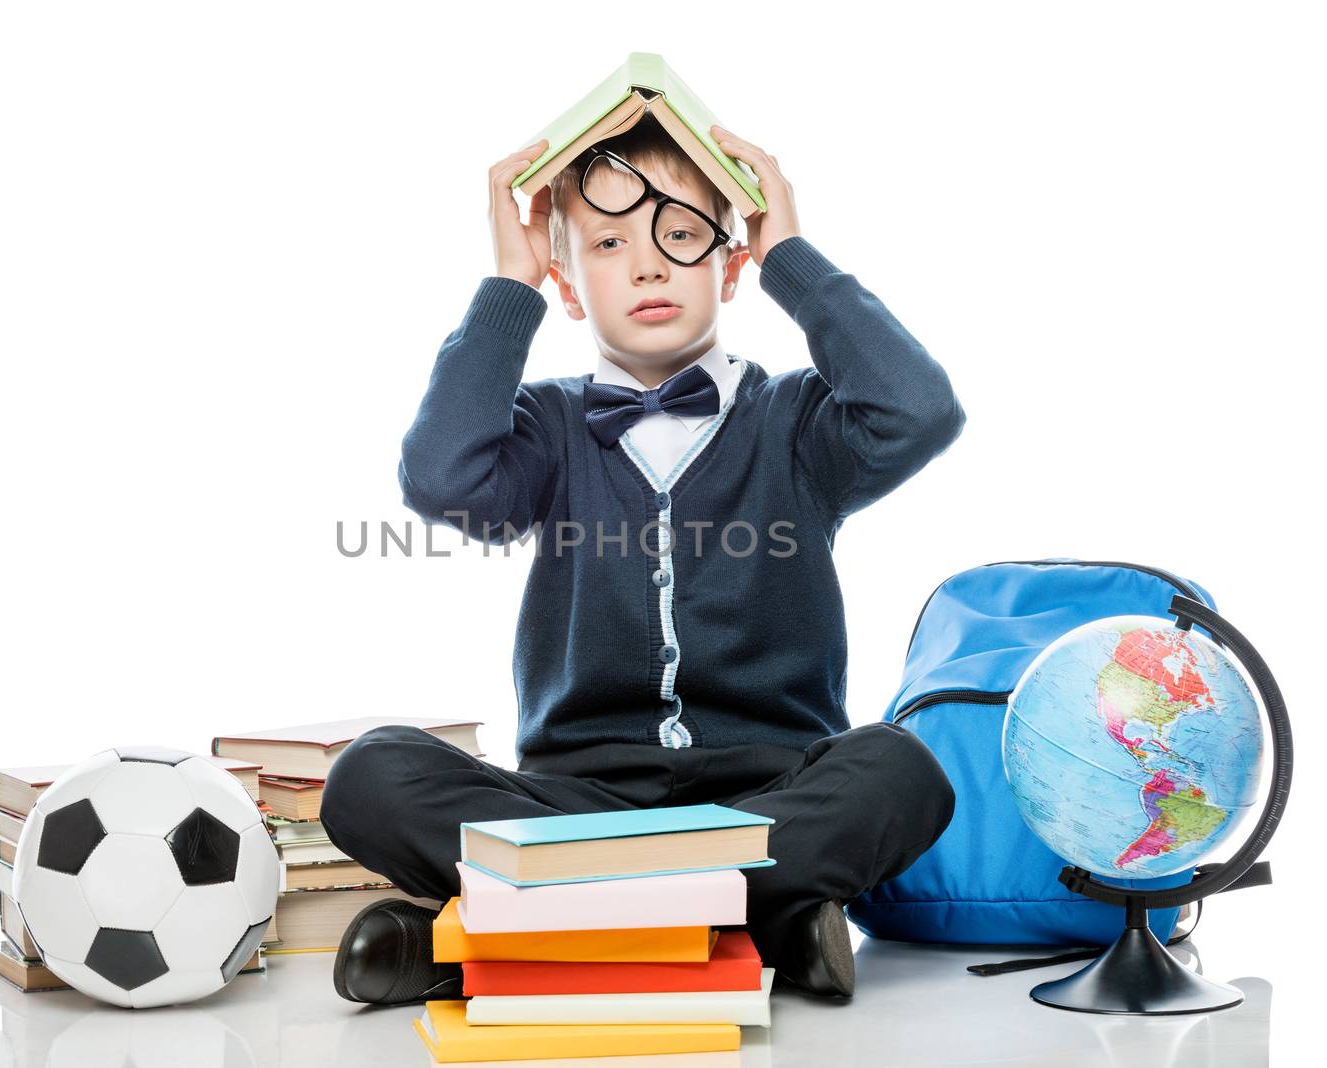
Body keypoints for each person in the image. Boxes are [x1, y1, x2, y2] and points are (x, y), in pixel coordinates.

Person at [321, 115, 966, 1006]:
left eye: (680, 233)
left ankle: (496, 940)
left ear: (730, 265)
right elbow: (441, 478)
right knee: (371, 773)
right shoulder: (544, 428)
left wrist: (794, 256)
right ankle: (753, 924)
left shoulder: (799, 423)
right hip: (575, 807)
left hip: (765, 799)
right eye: (610, 242)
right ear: (570, 284)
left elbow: (919, 411)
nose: (649, 264)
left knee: (903, 769)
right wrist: (510, 286)